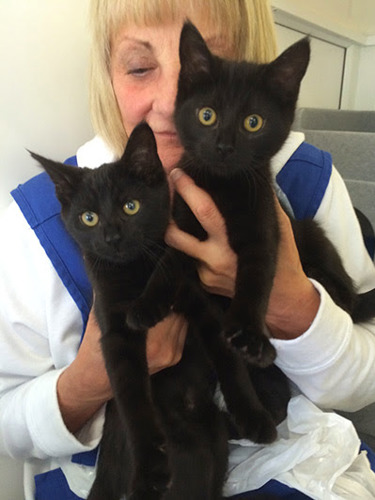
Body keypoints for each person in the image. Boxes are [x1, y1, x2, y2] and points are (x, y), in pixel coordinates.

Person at [1, 0, 375, 498]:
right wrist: (88, 379)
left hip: (293, 460)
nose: (174, 101)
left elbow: (362, 384)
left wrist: (293, 306)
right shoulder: (38, 223)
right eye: (139, 67)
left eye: (203, 70)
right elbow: (7, 426)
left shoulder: (306, 182)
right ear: (105, 74)